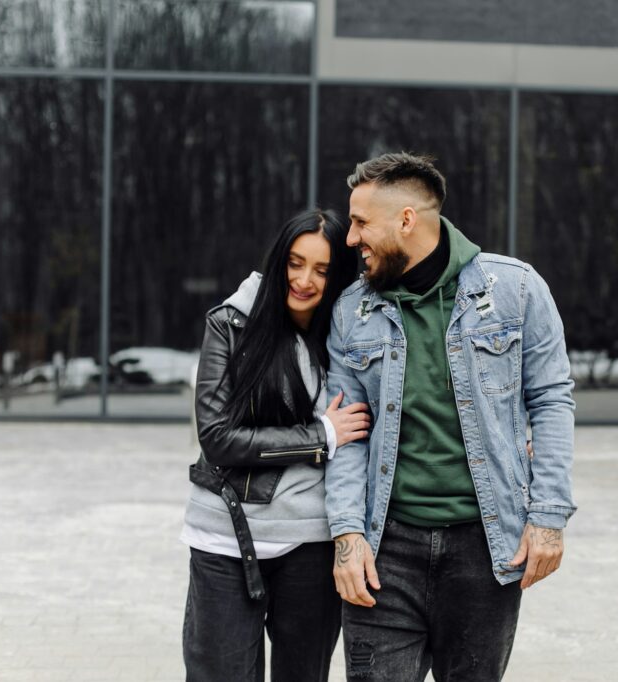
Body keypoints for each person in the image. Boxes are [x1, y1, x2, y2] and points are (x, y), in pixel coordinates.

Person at [325, 153, 576, 680]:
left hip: (484, 550)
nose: (350, 238)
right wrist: (347, 537)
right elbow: (349, 434)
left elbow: (552, 400)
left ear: (407, 220)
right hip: (384, 551)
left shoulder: (517, 289)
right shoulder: (353, 310)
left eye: (361, 222)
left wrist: (548, 518)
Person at [180, 209, 370, 682]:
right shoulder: (231, 322)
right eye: (295, 262)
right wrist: (319, 436)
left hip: (310, 541)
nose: (304, 280)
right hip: (225, 536)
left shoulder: (345, 337)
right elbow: (218, 437)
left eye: (322, 270)